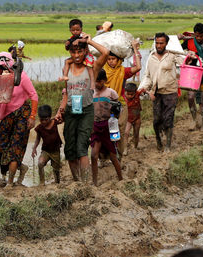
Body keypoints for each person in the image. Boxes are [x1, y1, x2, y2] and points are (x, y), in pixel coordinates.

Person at [56, 36, 110, 182]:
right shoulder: (67, 68)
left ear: (85, 51)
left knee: (82, 148)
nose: (76, 56)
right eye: (73, 52)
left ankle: (85, 183)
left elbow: (105, 53)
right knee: (70, 149)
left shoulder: (91, 67)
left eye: (80, 51)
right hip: (70, 111)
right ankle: (77, 181)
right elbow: (66, 92)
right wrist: (60, 110)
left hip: (86, 111)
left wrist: (90, 41)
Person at [0, 52, 39, 187]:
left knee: (15, 148)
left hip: (22, 114)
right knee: (2, 147)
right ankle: (16, 171)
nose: (3, 71)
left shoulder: (21, 77)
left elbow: (34, 96)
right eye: (0, 69)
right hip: (7, 115)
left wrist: (32, 117)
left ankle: (10, 182)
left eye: (5, 68)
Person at [138, 33, 190, 151]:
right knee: (156, 120)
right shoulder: (151, 57)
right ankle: (158, 140)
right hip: (156, 93)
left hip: (170, 92)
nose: (159, 45)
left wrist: (189, 57)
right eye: (157, 43)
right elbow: (148, 76)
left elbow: (185, 62)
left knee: (168, 118)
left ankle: (168, 145)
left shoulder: (172, 56)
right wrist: (144, 89)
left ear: (166, 44)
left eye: (161, 43)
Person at [102, 40, 142, 154]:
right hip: (104, 104)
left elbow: (138, 67)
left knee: (120, 129)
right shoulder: (102, 71)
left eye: (113, 59)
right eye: (109, 59)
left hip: (119, 104)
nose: (111, 62)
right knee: (104, 130)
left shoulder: (122, 71)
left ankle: (119, 152)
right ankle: (105, 154)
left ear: (119, 60)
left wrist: (135, 49)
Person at [90, 70, 123, 186]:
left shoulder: (111, 93)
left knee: (113, 155)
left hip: (108, 126)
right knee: (94, 155)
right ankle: (94, 182)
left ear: (105, 81)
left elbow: (118, 108)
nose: (97, 84)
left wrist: (115, 119)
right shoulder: (91, 93)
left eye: (99, 81)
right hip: (95, 126)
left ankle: (121, 179)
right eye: (95, 81)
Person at [181, 23, 203, 129]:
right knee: (191, 97)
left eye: (201, 36)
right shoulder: (189, 42)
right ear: (194, 34)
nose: (199, 38)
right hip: (191, 75)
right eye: (197, 36)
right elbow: (178, 51)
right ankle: (194, 120)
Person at [31, 105, 62, 185]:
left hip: (55, 151)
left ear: (50, 117)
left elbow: (62, 119)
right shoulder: (40, 128)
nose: (44, 122)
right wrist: (34, 148)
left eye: (46, 120)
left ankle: (57, 181)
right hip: (46, 151)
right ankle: (42, 182)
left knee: (56, 168)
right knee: (40, 163)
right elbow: (38, 139)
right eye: (41, 120)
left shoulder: (55, 122)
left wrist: (61, 112)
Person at [122, 82, 144, 155]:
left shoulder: (137, 94)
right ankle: (125, 149)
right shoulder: (123, 98)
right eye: (128, 94)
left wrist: (149, 93)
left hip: (137, 117)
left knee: (136, 133)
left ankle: (136, 146)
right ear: (125, 92)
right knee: (126, 133)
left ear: (135, 92)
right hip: (128, 118)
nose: (130, 96)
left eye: (132, 94)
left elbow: (143, 90)